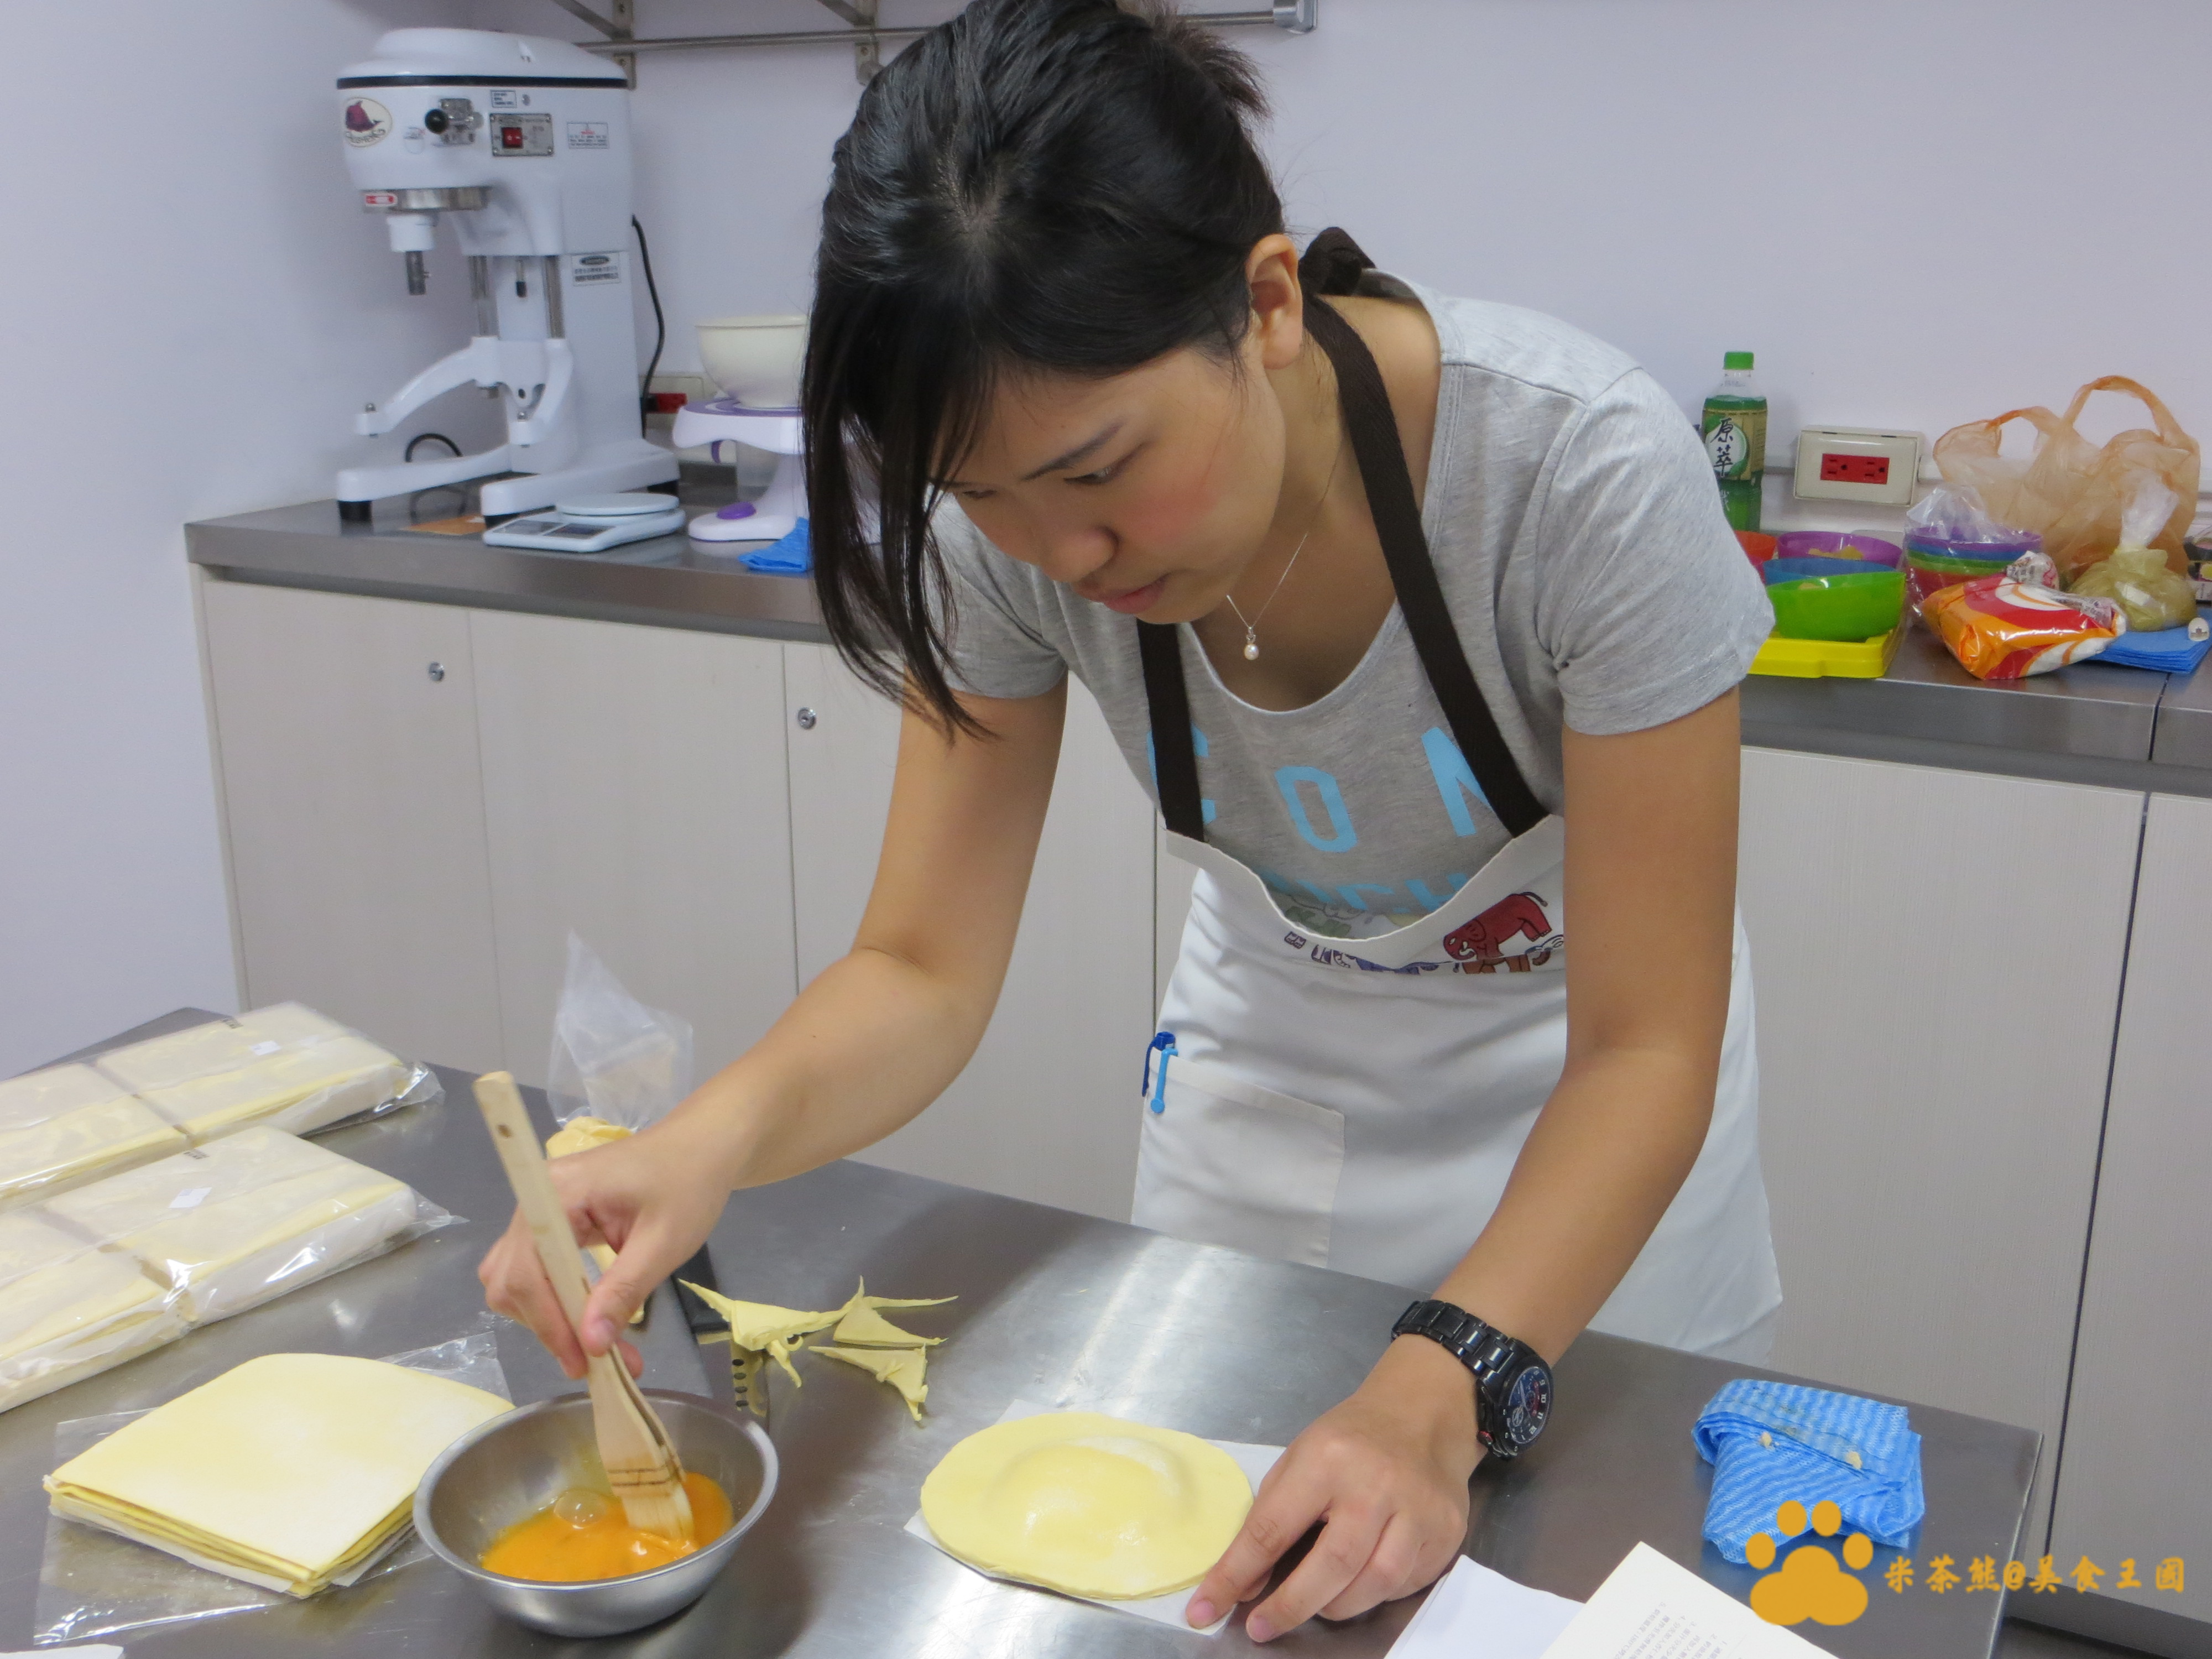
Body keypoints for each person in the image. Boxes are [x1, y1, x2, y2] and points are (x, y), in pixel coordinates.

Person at [481, 0, 1784, 1640]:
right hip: (1277, 1080)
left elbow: (1648, 1047)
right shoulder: (1011, 546)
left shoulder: (1576, 480)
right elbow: (920, 965)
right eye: (990, 499)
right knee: (1210, 1583)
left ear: (1266, 301)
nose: (1065, 560)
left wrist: (1438, 1383)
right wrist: (703, 1148)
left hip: (1583, 1128)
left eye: (1101, 471)